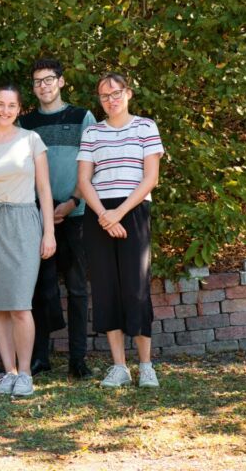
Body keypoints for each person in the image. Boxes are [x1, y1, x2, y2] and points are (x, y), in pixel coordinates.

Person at [0, 84, 56, 398]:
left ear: (19, 109)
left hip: (24, 223)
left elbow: (44, 191)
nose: (5, 110)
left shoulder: (31, 140)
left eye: (12, 105)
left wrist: (49, 232)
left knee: (19, 305)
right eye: (0, 104)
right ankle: (10, 372)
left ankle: (26, 372)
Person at [77, 72, 164, 389]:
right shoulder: (92, 133)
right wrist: (103, 214)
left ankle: (146, 366)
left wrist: (119, 214)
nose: (110, 100)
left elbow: (150, 178)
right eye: (104, 95)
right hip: (99, 214)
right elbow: (84, 180)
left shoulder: (145, 127)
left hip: (133, 210)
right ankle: (119, 367)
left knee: (136, 288)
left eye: (115, 93)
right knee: (105, 288)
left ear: (128, 93)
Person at [20, 59, 96, 379]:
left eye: (49, 79)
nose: (44, 86)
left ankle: (77, 360)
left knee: (78, 289)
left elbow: (91, 163)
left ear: (61, 82)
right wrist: (42, 209)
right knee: (41, 289)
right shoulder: (26, 123)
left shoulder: (82, 117)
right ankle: (40, 357)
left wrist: (73, 200)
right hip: (38, 216)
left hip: (76, 214)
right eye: (38, 81)